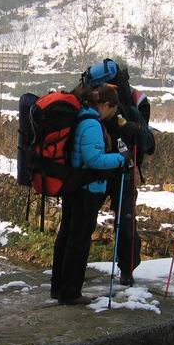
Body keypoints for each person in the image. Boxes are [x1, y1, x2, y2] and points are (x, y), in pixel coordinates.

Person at [51, 85, 127, 305]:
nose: (112, 114)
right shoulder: (92, 124)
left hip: (73, 186)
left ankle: (59, 288)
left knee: (66, 236)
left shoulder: (79, 117)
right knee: (79, 240)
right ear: (105, 105)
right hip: (87, 190)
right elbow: (94, 160)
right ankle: (71, 292)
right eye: (112, 109)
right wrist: (120, 159)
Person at [101, 69, 155, 287]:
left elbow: (149, 144)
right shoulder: (95, 111)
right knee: (123, 222)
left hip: (117, 173)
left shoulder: (128, 112)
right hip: (107, 172)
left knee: (124, 223)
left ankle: (126, 268)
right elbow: (150, 144)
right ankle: (126, 269)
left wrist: (135, 130)